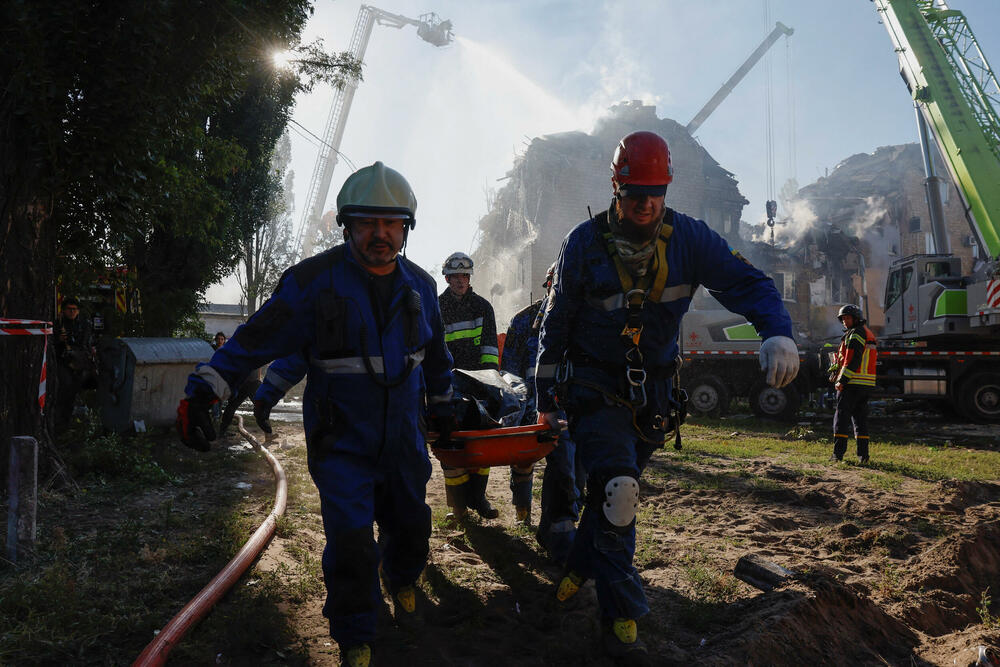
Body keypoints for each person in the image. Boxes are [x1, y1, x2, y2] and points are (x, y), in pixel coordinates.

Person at [176, 162, 454, 667]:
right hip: (341, 442)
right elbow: (255, 340)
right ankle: (355, 636)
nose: (380, 234)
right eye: (368, 223)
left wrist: (446, 404)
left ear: (406, 229)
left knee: (411, 524)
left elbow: (435, 360)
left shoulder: (421, 287)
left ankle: (404, 579)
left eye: (391, 224)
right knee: (350, 543)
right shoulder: (312, 283)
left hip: (405, 444)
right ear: (347, 225)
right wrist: (205, 390)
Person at [535, 131, 799, 659]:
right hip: (592, 385)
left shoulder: (691, 240)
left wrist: (776, 329)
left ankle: (581, 565)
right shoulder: (582, 243)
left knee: (614, 497)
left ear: (667, 187)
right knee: (618, 490)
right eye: (635, 192)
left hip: (654, 392)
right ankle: (622, 616)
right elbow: (556, 318)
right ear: (616, 185)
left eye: (655, 192)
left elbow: (748, 283)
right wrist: (546, 395)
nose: (646, 203)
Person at [502, 264, 585, 562]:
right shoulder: (524, 321)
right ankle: (522, 509)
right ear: (547, 284)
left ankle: (557, 530)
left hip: (566, 409)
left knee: (570, 468)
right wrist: (519, 407)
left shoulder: (581, 320)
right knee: (524, 462)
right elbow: (509, 373)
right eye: (556, 284)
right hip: (530, 407)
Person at [437, 252, 500, 521]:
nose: (461, 281)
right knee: (450, 445)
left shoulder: (483, 307)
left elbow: (489, 349)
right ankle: (458, 508)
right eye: (455, 276)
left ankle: (478, 498)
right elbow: (434, 349)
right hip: (448, 384)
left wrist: (490, 384)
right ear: (447, 278)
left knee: (480, 443)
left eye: (465, 276)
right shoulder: (437, 306)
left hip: (478, 384)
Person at [829, 303, 877, 463]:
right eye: (842, 319)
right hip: (866, 384)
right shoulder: (866, 333)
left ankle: (837, 455)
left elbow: (852, 360)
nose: (844, 321)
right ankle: (863, 456)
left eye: (847, 318)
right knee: (860, 420)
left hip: (852, 383)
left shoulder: (855, 334)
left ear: (856, 319)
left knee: (841, 418)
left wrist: (841, 380)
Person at [54, 297, 95, 427]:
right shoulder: (58, 323)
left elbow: (86, 343)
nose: (72, 312)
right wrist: (59, 339)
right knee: (65, 387)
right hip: (63, 361)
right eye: (69, 309)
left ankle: (71, 420)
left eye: (74, 309)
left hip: (79, 362)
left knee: (76, 390)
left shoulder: (85, 324)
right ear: (64, 310)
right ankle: (61, 420)